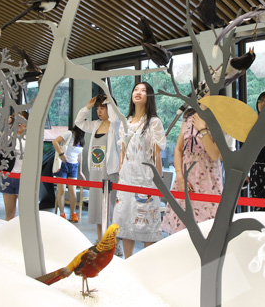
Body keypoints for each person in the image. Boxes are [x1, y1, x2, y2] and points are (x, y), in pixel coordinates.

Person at [113, 82, 166, 258]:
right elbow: (123, 151)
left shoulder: (154, 122)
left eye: (143, 91)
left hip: (146, 179)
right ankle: (128, 261)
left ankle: (145, 263)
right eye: (136, 89)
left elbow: (157, 155)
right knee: (126, 221)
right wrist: (120, 175)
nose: (138, 92)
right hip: (126, 178)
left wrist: (159, 181)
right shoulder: (125, 122)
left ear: (149, 96)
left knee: (147, 221)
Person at [162, 92, 224, 234]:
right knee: (182, 227)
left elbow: (214, 154)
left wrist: (203, 129)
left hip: (208, 179)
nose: (208, 92)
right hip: (185, 177)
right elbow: (178, 149)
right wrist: (179, 176)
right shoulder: (188, 116)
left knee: (207, 228)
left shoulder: (219, 118)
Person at [74, 94, 121, 241]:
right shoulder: (95, 124)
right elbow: (78, 122)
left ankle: (111, 242)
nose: (99, 111)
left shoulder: (116, 125)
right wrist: (87, 107)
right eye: (97, 108)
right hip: (95, 172)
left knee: (109, 208)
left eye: (103, 108)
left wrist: (110, 102)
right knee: (97, 208)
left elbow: (115, 118)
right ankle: (100, 241)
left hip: (109, 172)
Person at [52, 125, 86, 222]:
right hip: (63, 164)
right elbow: (55, 142)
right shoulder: (69, 133)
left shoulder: (81, 139)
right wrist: (61, 154)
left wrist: (80, 171)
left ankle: (72, 213)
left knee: (73, 191)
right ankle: (62, 214)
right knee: (61, 190)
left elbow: (80, 156)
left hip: (74, 166)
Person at [1, 110, 29, 221]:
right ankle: (8, 231)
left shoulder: (31, 136)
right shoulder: (9, 135)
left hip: (24, 177)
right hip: (8, 176)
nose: (19, 122)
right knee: (9, 213)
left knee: (25, 213)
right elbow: (0, 146)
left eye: (22, 119)